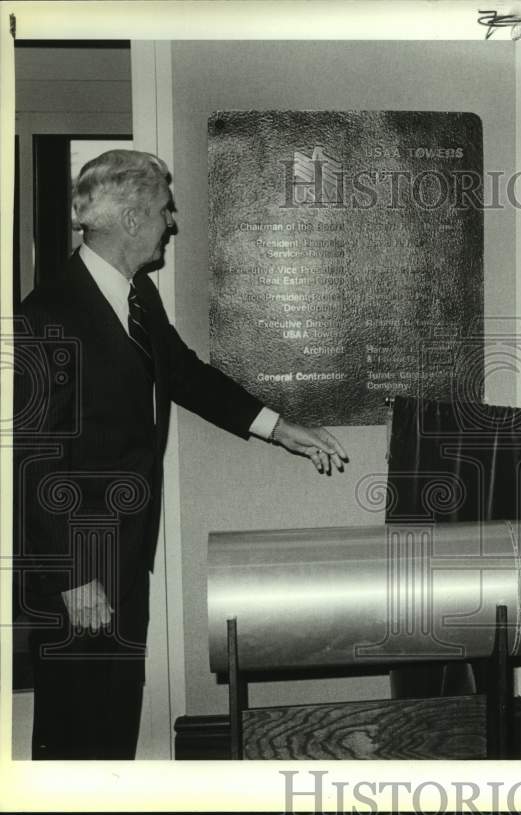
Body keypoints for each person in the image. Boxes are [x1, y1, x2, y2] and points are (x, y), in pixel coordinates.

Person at [13, 149, 350, 760]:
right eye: (165, 209)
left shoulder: (138, 296)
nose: (172, 222)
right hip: (81, 567)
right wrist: (72, 577)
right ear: (132, 219)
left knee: (114, 714)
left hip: (126, 551)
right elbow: (34, 462)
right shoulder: (47, 314)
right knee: (75, 729)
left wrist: (281, 427)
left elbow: (187, 377)